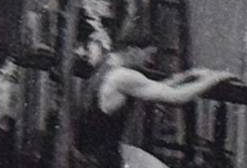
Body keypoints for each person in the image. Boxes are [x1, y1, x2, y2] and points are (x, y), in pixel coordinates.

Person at [71, 33, 236, 168]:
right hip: (102, 162)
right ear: (133, 50)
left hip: (87, 156)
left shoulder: (105, 66)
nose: (149, 61)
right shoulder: (123, 76)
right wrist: (215, 78)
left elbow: (149, 88)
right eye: (148, 55)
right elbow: (177, 98)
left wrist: (186, 76)